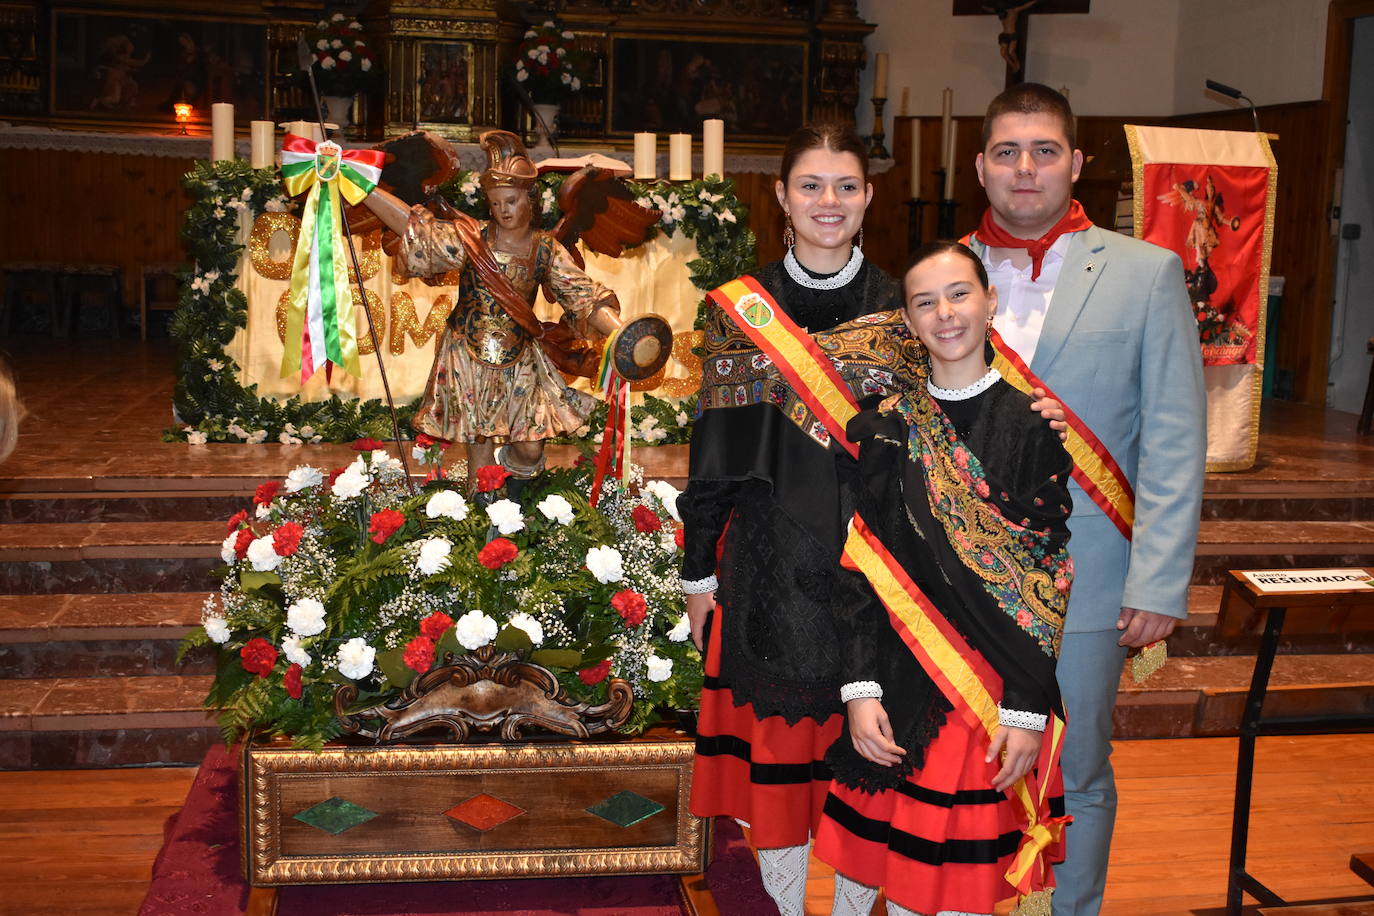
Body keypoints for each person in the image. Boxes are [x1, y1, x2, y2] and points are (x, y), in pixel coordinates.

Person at [966, 83, 1206, 915]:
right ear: (980, 166)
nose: (1024, 168)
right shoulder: (940, 274)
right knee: (957, 765)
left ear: (1076, 163)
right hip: (957, 574)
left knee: (1080, 770)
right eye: (1006, 151)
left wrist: (1157, 582)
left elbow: (1175, 438)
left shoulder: (1145, 272)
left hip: (1092, 576)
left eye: (1043, 151)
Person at [677, 123, 902, 916]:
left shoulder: (905, 308)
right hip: (769, 566)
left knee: (865, 764)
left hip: (878, 572)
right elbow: (716, 454)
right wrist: (698, 568)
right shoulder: (744, 308)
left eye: (846, 185)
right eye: (811, 185)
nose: (829, 202)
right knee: (778, 765)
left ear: (869, 195)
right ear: (781, 196)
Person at [815, 240, 1073, 916]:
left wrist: (1025, 707)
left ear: (991, 304)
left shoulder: (1030, 425)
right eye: (924, 301)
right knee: (863, 883)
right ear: (907, 320)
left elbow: (1044, 579)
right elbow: (860, 572)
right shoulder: (883, 431)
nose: (945, 313)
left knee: (948, 896)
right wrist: (859, 688)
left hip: (982, 697)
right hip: (895, 685)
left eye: (959, 293)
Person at [359, 130, 625, 492]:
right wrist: (360, 186)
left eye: (512, 200)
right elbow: (416, 231)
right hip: (467, 353)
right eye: (496, 202)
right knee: (478, 454)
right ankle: (481, 522)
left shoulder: (545, 249)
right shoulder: (472, 239)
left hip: (520, 358)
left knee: (530, 448)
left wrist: (621, 331)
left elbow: (584, 297)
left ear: (529, 200)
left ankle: (515, 489)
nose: (503, 210)